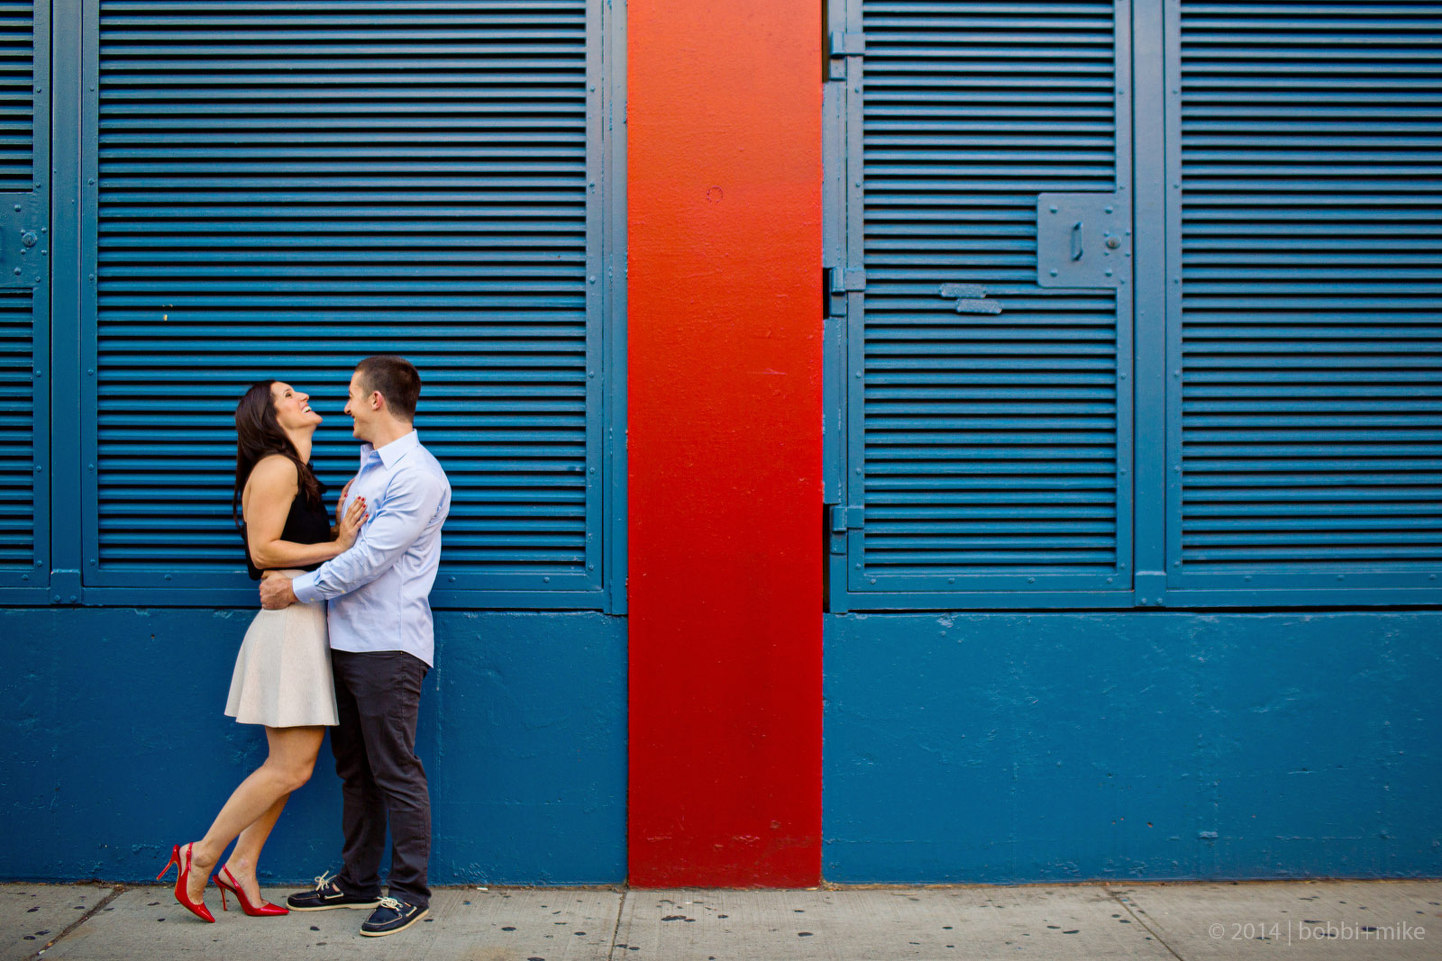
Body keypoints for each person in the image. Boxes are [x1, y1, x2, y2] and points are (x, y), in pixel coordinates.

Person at [158, 380, 368, 923]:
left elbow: (292, 545)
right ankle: (202, 855)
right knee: (291, 767)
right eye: (288, 395)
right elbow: (262, 550)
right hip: (289, 628)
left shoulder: (296, 471)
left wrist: (336, 524)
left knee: (291, 766)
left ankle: (242, 866)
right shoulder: (276, 467)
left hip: (301, 623)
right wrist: (339, 543)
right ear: (269, 417)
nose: (303, 397)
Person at [259, 355, 451, 938]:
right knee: (355, 772)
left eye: (349, 395)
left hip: (388, 646)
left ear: (375, 401)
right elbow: (347, 546)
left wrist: (294, 589)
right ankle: (358, 880)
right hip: (343, 642)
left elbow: (368, 560)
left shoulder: (417, 476)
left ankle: (409, 891)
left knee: (394, 769)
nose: (342, 407)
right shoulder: (367, 470)